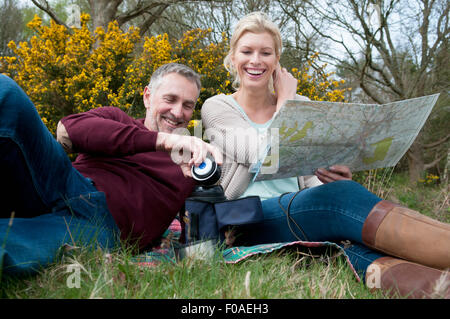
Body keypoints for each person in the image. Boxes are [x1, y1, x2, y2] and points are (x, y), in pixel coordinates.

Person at [201, 12, 450, 298]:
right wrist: (286, 103)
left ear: (276, 60)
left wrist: (330, 181)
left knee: (349, 248)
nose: (256, 60)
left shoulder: (301, 105)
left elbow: (309, 184)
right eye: (247, 51)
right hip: (244, 219)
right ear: (233, 58)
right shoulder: (217, 107)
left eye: (265, 52)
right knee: (338, 201)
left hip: (298, 214)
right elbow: (262, 156)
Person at [0, 62, 222, 277]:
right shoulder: (116, 118)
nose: (177, 112)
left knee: (8, 240)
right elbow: (68, 131)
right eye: (170, 99)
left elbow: (210, 214)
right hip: (66, 182)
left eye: (187, 105)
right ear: (147, 97)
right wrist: (163, 141)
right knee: (6, 89)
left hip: (103, 226)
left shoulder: (191, 161)